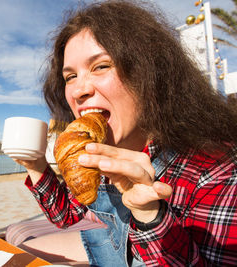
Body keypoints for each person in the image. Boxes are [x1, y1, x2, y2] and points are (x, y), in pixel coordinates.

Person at [14, 0, 237, 266]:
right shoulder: (97, 155)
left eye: (101, 66)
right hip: (119, 245)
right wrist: (36, 165)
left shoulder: (216, 170)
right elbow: (66, 217)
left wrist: (151, 215)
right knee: (16, 247)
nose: (77, 91)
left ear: (151, 73)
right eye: (70, 76)